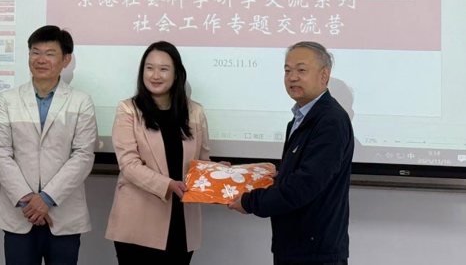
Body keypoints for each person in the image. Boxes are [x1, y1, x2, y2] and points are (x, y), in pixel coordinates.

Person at [228, 41, 354, 265]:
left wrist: (250, 202)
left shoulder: (330, 121)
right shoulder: (300, 119)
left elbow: (305, 184)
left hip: (316, 251)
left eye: (301, 70)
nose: (292, 77)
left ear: (324, 75)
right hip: (295, 244)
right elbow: (302, 175)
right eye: (287, 71)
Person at [0, 25, 97, 265]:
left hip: (63, 214)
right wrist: (28, 200)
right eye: (35, 52)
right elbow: (0, 153)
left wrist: (46, 198)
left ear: (66, 60)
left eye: (50, 54)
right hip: (20, 213)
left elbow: (83, 155)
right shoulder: (8, 100)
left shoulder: (81, 102)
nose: (41, 59)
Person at [106, 41, 211, 265]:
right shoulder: (128, 109)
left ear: (176, 74)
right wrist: (168, 184)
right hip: (137, 222)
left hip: (181, 221)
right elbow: (129, 165)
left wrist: (218, 172)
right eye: (149, 68)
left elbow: (202, 161)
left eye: (164, 69)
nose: (155, 75)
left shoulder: (195, 111)